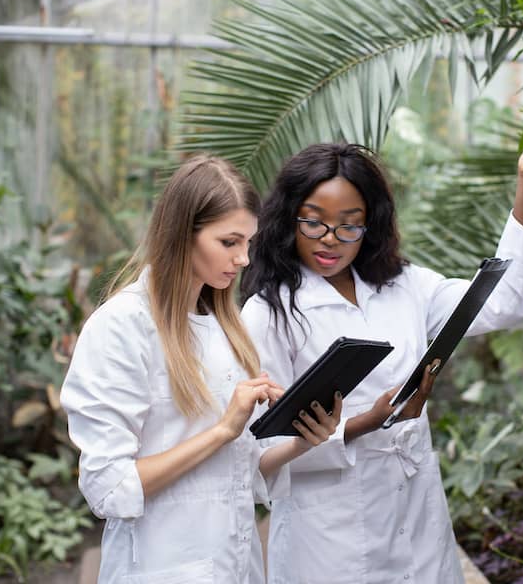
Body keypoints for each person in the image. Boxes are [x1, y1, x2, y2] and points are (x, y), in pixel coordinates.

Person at [240, 91, 523, 584]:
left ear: (371, 227)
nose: (330, 239)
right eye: (314, 222)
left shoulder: (405, 286)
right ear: (289, 218)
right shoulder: (269, 313)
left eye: (350, 226)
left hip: (417, 518)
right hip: (329, 538)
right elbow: (258, 456)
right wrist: (363, 423)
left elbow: (504, 304)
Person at [60, 155, 342, 584]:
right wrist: (221, 430)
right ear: (181, 236)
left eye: (248, 242)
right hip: (158, 569)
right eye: (229, 242)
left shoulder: (228, 329)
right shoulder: (121, 328)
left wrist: (302, 441)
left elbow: (236, 470)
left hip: (237, 566)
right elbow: (109, 488)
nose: (245, 258)